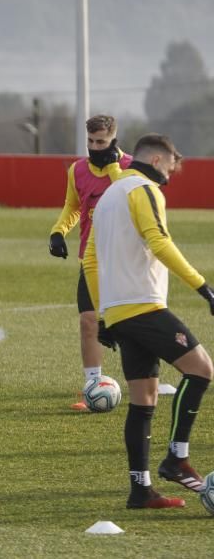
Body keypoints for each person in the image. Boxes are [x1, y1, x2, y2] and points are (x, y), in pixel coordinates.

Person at [83, 133, 214, 509]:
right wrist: (203, 287)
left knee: (144, 399)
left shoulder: (108, 196)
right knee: (202, 370)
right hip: (143, 305)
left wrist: (105, 313)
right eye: (172, 163)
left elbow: (91, 261)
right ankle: (176, 457)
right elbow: (157, 239)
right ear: (157, 159)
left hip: (121, 311)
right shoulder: (144, 189)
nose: (174, 171)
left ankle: (140, 490)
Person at [49, 114, 133, 411]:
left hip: (125, 258)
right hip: (91, 257)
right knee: (89, 321)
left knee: (133, 322)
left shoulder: (130, 168)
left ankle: (149, 378)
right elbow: (73, 206)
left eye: (101, 142)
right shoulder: (77, 170)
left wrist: (111, 167)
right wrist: (59, 231)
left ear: (114, 139)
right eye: (90, 141)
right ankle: (93, 384)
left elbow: (132, 201)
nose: (95, 147)